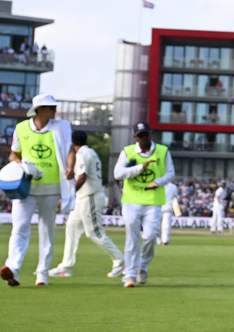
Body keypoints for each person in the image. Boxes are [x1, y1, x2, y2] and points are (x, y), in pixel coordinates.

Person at [1, 94, 75, 286]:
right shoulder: (21, 128)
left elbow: (70, 151)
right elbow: (13, 154)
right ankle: (13, 269)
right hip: (25, 187)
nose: (54, 111)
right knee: (19, 227)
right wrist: (18, 164)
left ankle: (42, 273)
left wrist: (70, 167)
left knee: (46, 231)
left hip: (51, 188)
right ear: (39, 109)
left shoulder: (62, 128)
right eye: (51, 107)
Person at [50, 130, 124, 279]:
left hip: (90, 196)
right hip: (83, 197)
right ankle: (66, 266)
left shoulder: (83, 154)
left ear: (72, 142)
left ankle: (120, 261)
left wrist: (67, 196)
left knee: (94, 232)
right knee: (71, 227)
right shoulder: (89, 152)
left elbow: (82, 177)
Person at [112, 121, 175, 287]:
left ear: (150, 133)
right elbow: (118, 174)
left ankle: (143, 265)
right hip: (131, 201)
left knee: (150, 237)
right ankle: (129, 275)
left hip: (153, 201)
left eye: (145, 134)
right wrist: (140, 168)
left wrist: (158, 182)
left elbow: (170, 173)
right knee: (132, 239)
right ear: (135, 137)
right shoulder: (128, 151)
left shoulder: (163, 151)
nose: (143, 138)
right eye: (140, 135)